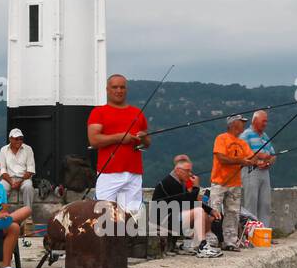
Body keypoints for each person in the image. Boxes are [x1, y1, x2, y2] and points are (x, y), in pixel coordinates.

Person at [86, 74, 151, 214]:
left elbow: (147, 143)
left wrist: (144, 138)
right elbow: (94, 140)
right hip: (108, 173)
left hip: (134, 172)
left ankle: (126, 237)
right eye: (115, 87)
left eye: (122, 87)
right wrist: (120, 137)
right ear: (107, 90)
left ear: (126, 90)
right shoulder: (98, 112)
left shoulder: (137, 112)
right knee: (104, 215)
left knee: (132, 216)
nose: (119, 90)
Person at [151, 154, 220, 257]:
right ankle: (202, 247)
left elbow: (188, 202)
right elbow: (186, 203)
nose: (190, 174)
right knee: (198, 212)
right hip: (163, 220)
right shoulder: (171, 182)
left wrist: (210, 210)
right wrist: (196, 187)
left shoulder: (178, 181)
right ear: (178, 170)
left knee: (201, 212)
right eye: (187, 171)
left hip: (170, 216)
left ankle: (192, 244)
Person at [211, 114, 254, 251]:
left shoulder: (243, 143)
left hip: (235, 183)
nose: (244, 124)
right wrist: (241, 161)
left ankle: (230, 242)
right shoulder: (221, 138)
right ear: (234, 123)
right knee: (214, 212)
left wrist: (258, 160)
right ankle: (212, 240)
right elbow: (222, 158)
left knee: (233, 213)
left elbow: (251, 158)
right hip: (219, 182)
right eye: (242, 122)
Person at [240, 109, 276, 227]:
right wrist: (259, 156)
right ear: (255, 121)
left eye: (266, 121)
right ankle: (251, 233)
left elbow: (273, 154)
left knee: (265, 204)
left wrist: (269, 162)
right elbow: (243, 153)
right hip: (251, 171)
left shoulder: (265, 136)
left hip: (265, 172)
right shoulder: (246, 135)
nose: (265, 124)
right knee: (251, 202)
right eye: (263, 121)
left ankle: (263, 231)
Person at [0, 128, 36, 216]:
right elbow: (2, 169)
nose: (19, 141)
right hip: (8, 178)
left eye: (21, 138)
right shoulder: (3, 150)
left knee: (28, 187)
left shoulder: (28, 149)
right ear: (10, 139)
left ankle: (27, 216)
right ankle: (0, 215)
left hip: (23, 178)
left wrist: (19, 182)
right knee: (0, 188)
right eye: (16, 139)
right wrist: (11, 182)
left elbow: (30, 170)